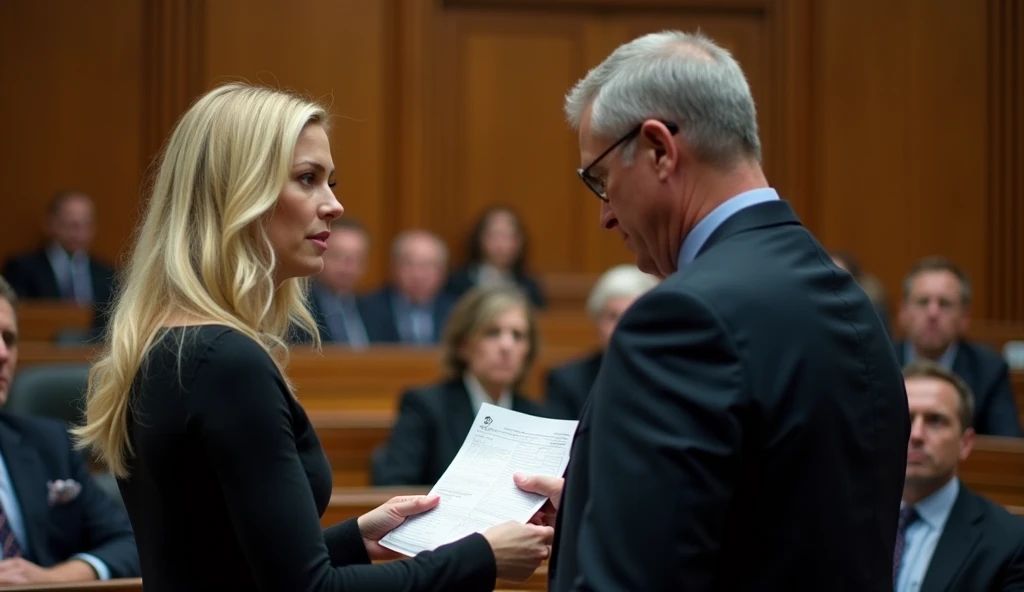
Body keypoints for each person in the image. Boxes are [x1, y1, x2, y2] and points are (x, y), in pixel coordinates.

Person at [70, 83, 552, 591]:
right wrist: (479, 556)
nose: (334, 205)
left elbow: (221, 560)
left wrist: (357, 537)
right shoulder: (226, 361)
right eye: (307, 179)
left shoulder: (171, 341)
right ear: (240, 191)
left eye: (330, 181)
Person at [515, 30, 909, 591]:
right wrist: (592, 505)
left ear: (658, 149)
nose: (604, 216)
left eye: (601, 180)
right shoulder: (849, 300)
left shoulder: (681, 320)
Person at [0, 276, 139, 584]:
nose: (3, 354)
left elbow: (129, 542)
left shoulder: (48, 442)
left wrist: (55, 577)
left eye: (9, 339)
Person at [372, 285, 547, 486]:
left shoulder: (539, 418)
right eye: (492, 333)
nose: (507, 346)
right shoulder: (425, 407)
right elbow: (394, 487)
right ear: (463, 345)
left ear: (528, 351)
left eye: (518, 335)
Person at [896, 360, 1024, 591]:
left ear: (965, 443)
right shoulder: (845, 522)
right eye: (905, 418)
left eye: (935, 420)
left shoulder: (1011, 542)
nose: (916, 434)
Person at [894, 256, 1022, 437]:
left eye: (944, 303)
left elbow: (1005, 448)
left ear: (964, 317)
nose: (933, 313)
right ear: (903, 312)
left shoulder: (989, 369)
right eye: (923, 302)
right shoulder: (877, 363)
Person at [544, 264, 657, 420]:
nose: (620, 327)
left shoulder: (664, 377)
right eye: (613, 316)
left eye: (631, 315)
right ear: (597, 322)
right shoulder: (567, 381)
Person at [361, 230, 454, 345]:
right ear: (393, 267)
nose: (418, 275)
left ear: (443, 272)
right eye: (409, 264)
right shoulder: (366, 308)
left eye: (428, 265)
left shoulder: (455, 311)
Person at [446, 206, 546, 308]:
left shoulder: (529, 285)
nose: (501, 244)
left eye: (508, 236)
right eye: (495, 236)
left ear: (519, 242)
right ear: (479, 239)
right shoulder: (457, 282)